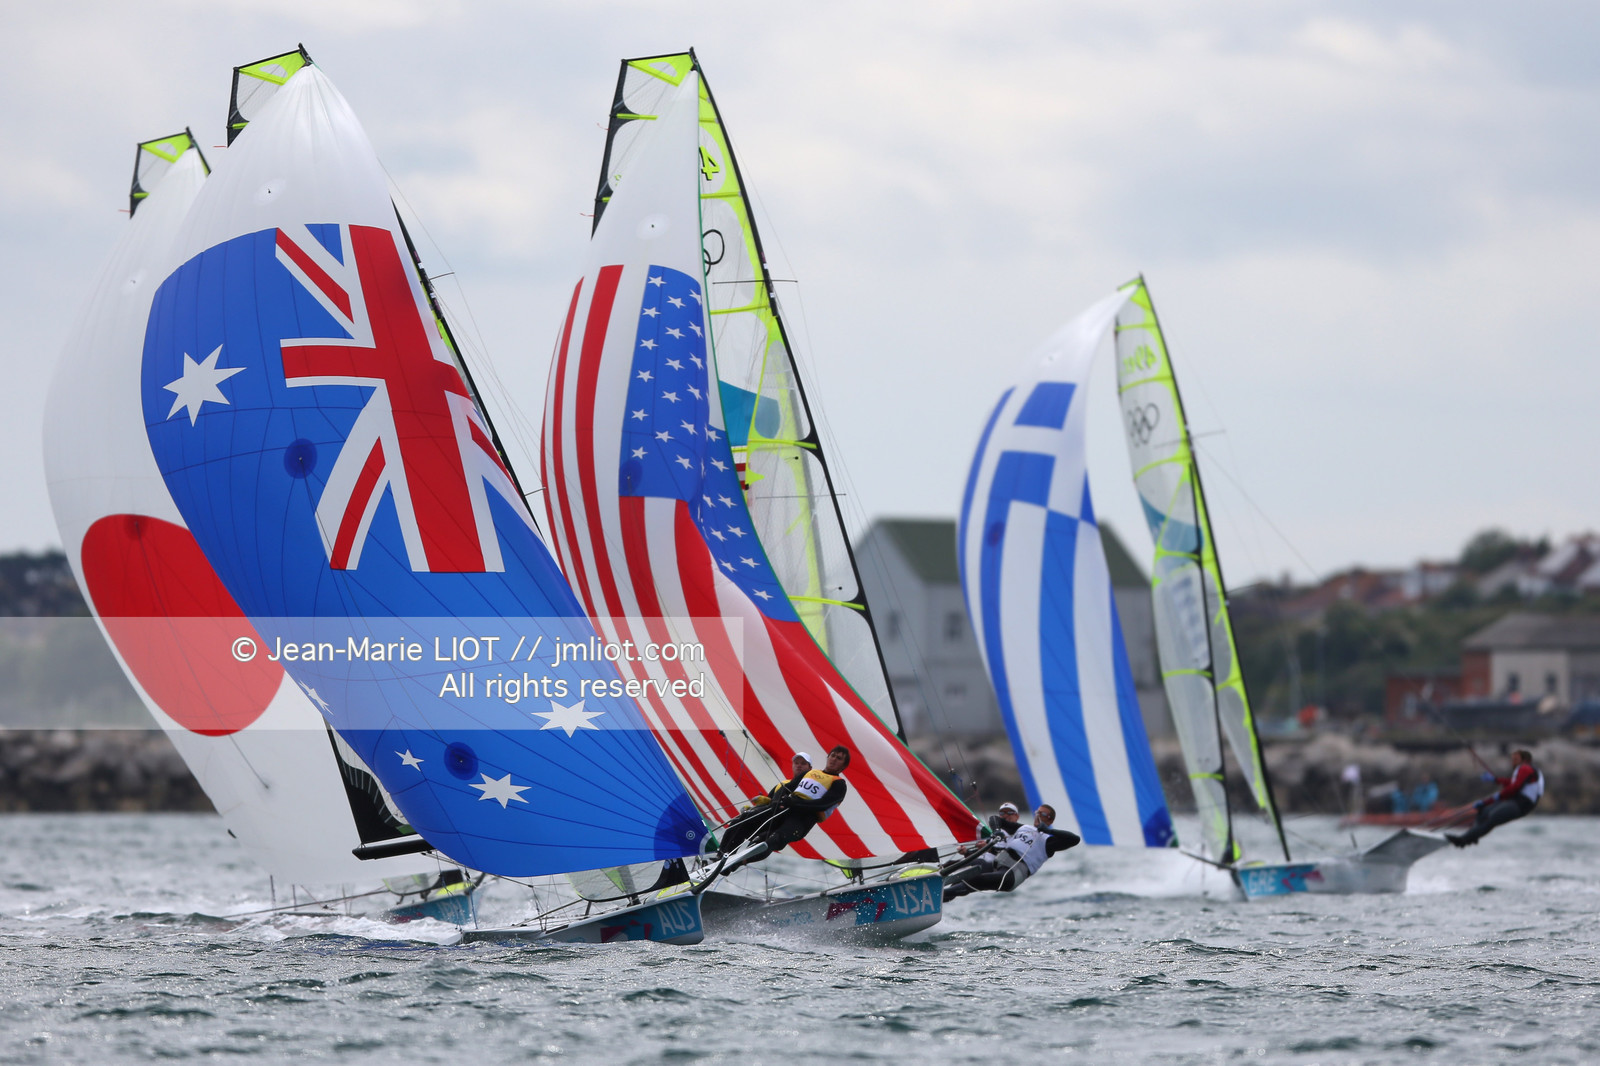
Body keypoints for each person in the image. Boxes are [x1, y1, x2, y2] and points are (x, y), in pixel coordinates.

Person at [720, 745, 851, 873]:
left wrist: (795, 803)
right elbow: (786, 787)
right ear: (828, 757)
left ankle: (737, 862)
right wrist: (776, 802)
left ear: (844, 766)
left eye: (839, 758)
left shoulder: (839, 784)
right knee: (744, 819)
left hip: (802, 820)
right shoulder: (810, 773)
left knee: (771, 840)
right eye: (833, 756)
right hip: (785, 810)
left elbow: (822, 804)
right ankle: (722, 855)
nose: (834, 759)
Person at [943, 804, 1080, 902]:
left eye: (1043, 814)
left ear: (1050, 820)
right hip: (997, 864)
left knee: (975, 880)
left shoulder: (1048, 842)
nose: (1038, 816)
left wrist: (1047, 830)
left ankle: (942, 895)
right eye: (1037, 812)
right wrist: (996, 830)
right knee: (970, 866)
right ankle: (938, 892)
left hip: (1012, 875)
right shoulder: (1023, 828)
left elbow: (1075, 839)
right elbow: (994, 819)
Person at [1447, 749, 1544, 848]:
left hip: (1521, 804)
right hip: (1516, 801)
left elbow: (1515, 787)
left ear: (1524, 760)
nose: (1512, 762)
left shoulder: (1525, 769)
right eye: (1512, 759)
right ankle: (1473, 836)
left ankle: (1462, 841)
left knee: (1493, 817)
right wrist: (1495, 780)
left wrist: (1495, 798)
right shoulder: (1527, 770)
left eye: (1515, 759)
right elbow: (1513, 782)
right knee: (1483, 811)